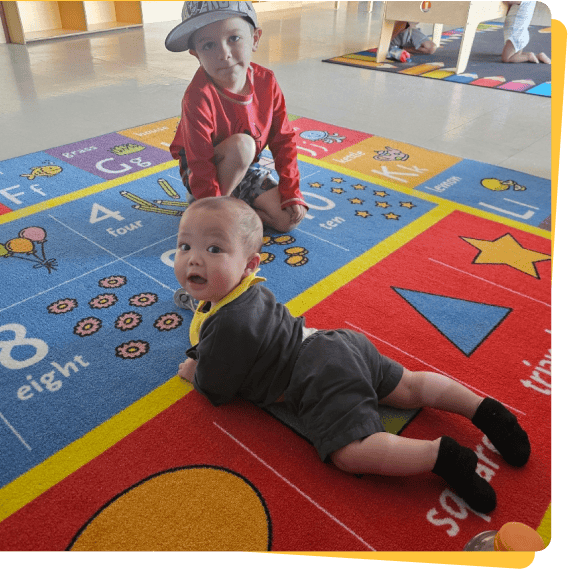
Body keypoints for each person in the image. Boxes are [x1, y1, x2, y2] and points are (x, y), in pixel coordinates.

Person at [175, 196, 531, 514]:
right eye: (184, 246)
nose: (194, 259)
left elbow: (216, 388)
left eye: (214, 250)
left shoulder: (228, 325)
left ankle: (441, 456)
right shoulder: (249, 290)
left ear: (250, 264)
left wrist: (194, 371)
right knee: (410, 387)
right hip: (337, 342)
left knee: (351, 452)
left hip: (317, 375)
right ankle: (487, 411)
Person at [165, 1, 308, 234]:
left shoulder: (267, 82)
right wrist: (210, 212)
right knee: (243, 146)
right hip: (203, 173)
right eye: (209, 45)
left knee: (287, 220)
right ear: (195, 54)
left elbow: (283, 140)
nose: (224, 54)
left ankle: (234, 205)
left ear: (255, 38)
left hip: (246, 168)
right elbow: (199, 161)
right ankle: (212, 205)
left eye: (234, 38)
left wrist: (292, 192)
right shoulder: (197, 96)